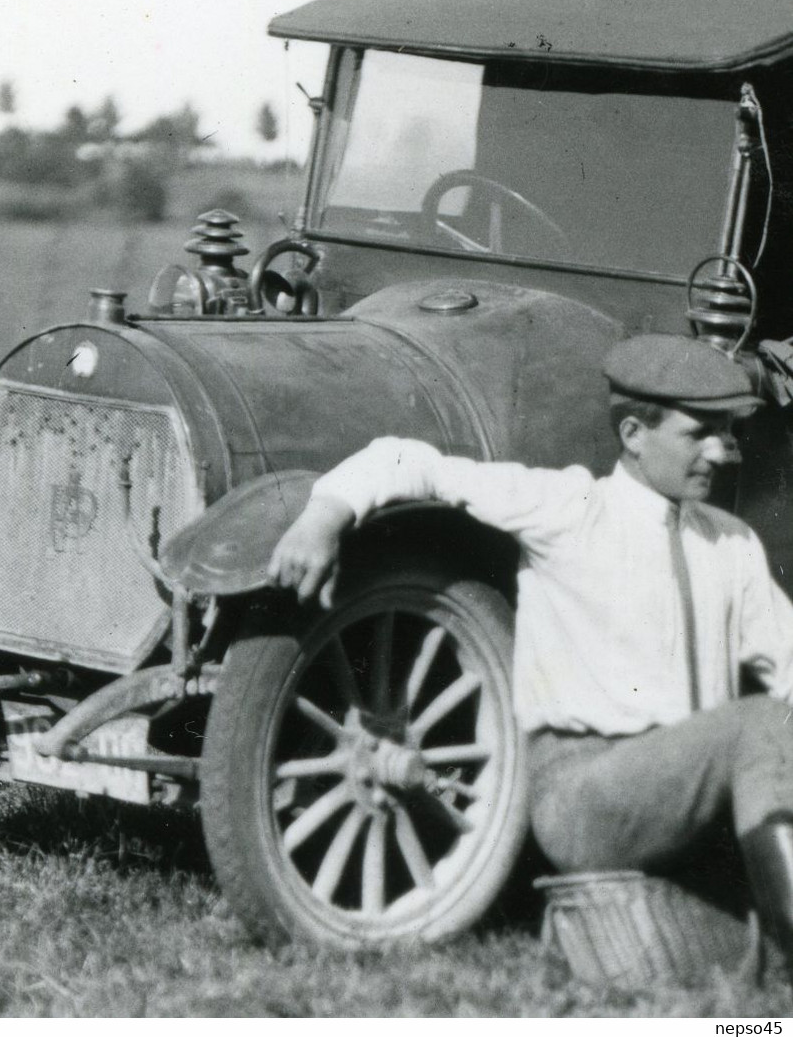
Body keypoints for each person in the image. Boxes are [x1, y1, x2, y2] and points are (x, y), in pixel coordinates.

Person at [268, 333, 793, 981]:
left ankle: (759, 948)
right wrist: (323, 516)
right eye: (699, 434)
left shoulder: (731, 543)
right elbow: (406, 460)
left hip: (686, 798)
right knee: (760, 721)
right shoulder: (572, 509)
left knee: (776, 723)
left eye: (726, 433)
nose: (720, 451)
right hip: (584, 794)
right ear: (633, 433)